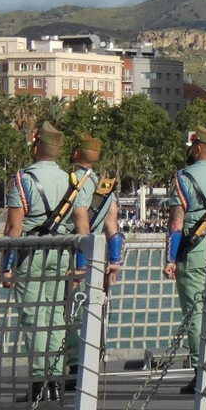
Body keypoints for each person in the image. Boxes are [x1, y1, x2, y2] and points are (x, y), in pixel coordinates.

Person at [0, 122, 86, 402]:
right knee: (54, 317)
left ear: (36, 148)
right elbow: (79, 222)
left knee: (33, 318)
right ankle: (56, 381)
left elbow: (14, 228)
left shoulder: (23, 179)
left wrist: (6, 267)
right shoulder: (71, 180)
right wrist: (80, 263)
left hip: (30, 253)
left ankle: (39, 382)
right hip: (60, 253)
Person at [163, 128, 206, 396]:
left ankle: (202, 371)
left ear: (197, 149)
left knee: (195, 312)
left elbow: (176, 224)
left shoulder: (183, 178)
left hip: (195, 249)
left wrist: (171, 258)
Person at [64, 134, 122, 392]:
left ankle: (75, 367)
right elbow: (113, 229)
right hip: (99, 257)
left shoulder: (77, 183)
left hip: (76, 256)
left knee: (71, 314)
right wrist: (115, 261)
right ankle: (89, 363)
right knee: (93, 312)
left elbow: (81, 225)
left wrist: (78, 265)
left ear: (75, 154)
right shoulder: (104, 186)